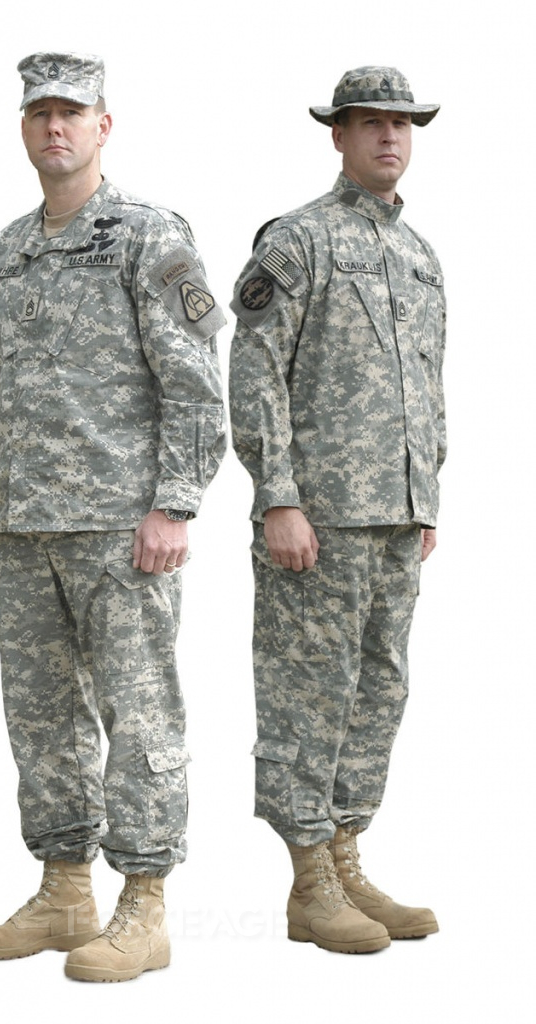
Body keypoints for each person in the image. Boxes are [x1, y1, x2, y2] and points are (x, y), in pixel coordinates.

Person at [0, 51, 225, 983]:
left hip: (120, 526)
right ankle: (64, 889)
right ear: (23, 129)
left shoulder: (149, 234)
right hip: (23, 526)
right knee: (41, 717)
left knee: (138, 714)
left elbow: (194, 382)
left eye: (71, 112)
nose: (54, 127)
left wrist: (174, 502)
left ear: (103, 126)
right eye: (40, 113)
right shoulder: (7, 250)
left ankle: (144, 905)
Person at [228, 66, 446, 954]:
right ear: (338, 135)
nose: (389, 137)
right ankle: (308, 878)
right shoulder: (298, 241)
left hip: (395, 514)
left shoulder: (419, 255)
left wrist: (427, 494)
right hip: (317, 518)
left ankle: (346, 854)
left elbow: (429, 383)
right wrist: (277, 497)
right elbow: (254, 373)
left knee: (378, 687)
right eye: (370, 123)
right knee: (306, 692)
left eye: (401, 123)